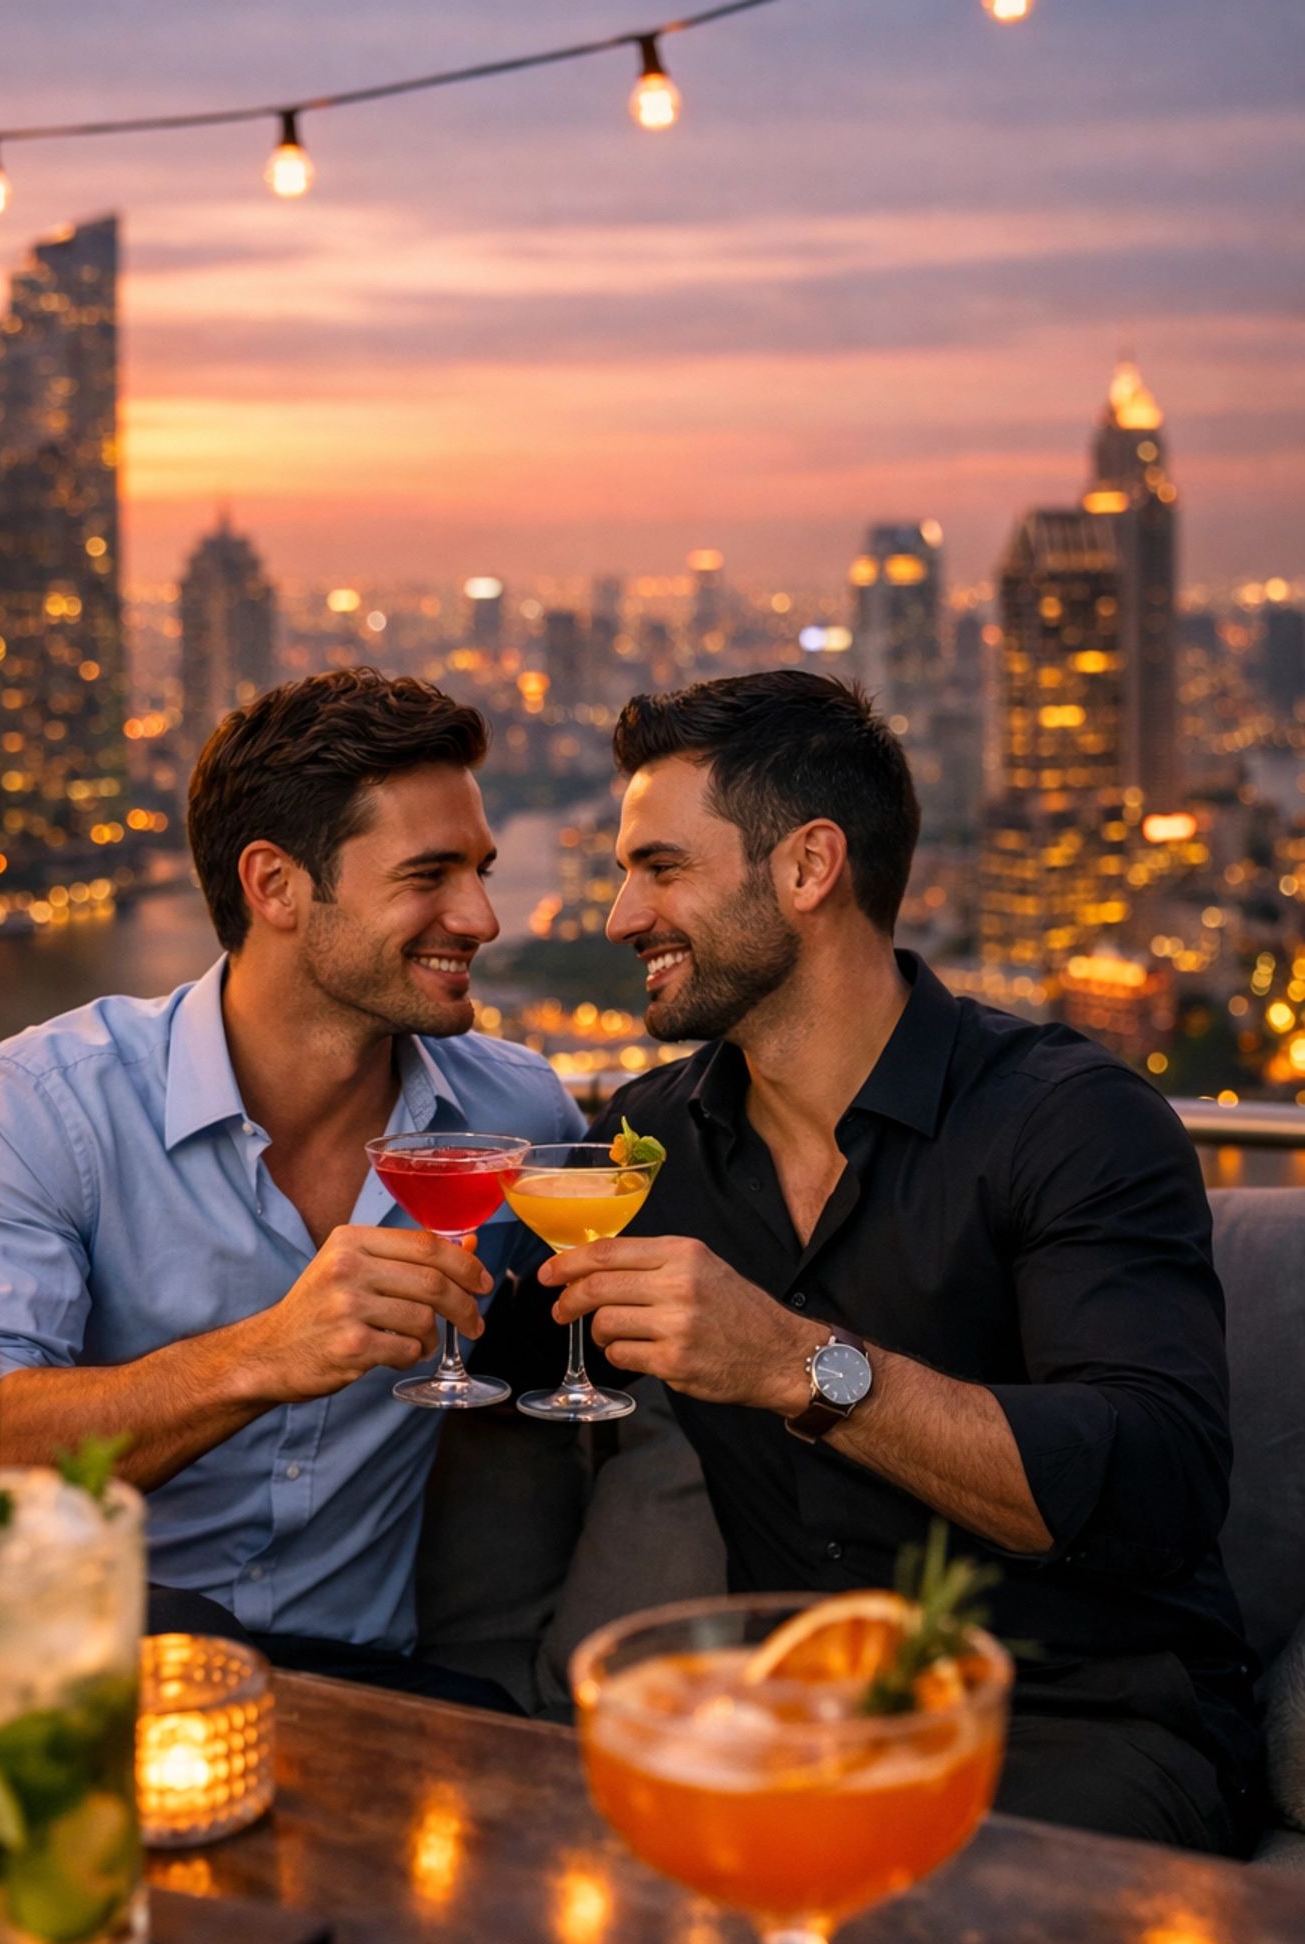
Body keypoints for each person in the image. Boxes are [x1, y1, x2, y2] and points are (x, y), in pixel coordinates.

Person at [531, 667, 1261, 1851]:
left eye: (661, 868)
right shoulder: (649, 1142)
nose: (621, 917)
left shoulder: (1071, 1120)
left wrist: (795, 1364)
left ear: (809, 867)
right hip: (805, 1726)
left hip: (1078, 1725)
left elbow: (1155, 1479)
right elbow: (526, 1344)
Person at [0, 668, 582, 1709]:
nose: (481, 916)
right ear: (275, 886)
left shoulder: (516, 1114)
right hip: (75, 1669)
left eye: (480, 870)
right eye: (429, 875)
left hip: (359, 1689)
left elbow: (589, 1295)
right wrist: (263, 1356)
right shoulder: (44, 1103)